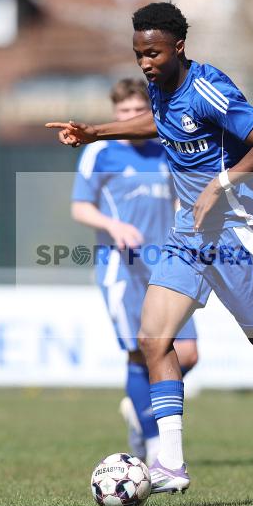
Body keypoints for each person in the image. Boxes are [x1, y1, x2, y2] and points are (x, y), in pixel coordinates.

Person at [47, 2, 253, 499]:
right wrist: (96, 132)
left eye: (154, 53)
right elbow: (161, 124)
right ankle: (169, 461)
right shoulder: (160, 85)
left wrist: (220, 184)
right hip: (188, 235)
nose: (145, 62)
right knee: (152, 339)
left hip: (238, 235)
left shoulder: (210, 87)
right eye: (139, 54)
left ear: (179, 47)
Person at [71, 78, 199, 465]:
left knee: (188, 354)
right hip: (121, 267)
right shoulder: (101, 152)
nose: (129, 118)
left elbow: (181, 194)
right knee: (139, 352)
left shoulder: (163, 149)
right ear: (114, 115)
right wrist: (114, 226)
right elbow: (80, 207)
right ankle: (155, 442)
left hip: (167, 262)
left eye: (136, 112)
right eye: (122, 112)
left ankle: (139, 405)